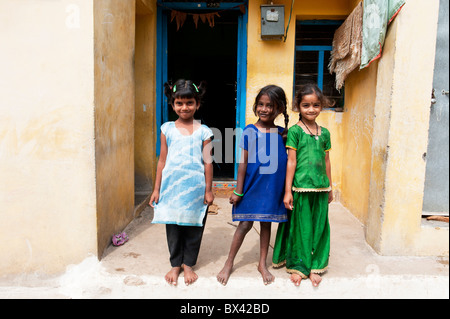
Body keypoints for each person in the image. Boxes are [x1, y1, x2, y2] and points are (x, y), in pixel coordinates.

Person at [217, 85, 289, 286]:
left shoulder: (283, 134)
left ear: (280, 109)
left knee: (266, 224)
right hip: (251, 187)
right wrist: (238, 190)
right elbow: (243, 164)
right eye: (261, 104)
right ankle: (229, 262)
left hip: (272, 189)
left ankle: (262, 264)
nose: (264, 109)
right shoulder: (250, 130)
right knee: (245, 224)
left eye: (270, 106)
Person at [149, 79, 214, 286]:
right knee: (173, 227)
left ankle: (188, 264)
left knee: (194, 226)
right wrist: (156, 189)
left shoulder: (204, 131)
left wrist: (209, 190)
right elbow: (162, 160)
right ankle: (175, 264)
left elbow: (208, 162)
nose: (184, 107)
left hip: (195, 189)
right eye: (179, 103)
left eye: (189, 103)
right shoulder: (166, 128)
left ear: (197, 104)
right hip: (171, 188)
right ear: (172, 104)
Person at [272, 83, 334, 288]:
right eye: (306, 105)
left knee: (319, 227)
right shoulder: (296, 132)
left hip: (321, 188)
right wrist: (287, 191)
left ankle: (315, 265)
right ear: (298, 106)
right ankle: (299, 267)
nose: (311, 109)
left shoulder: (324, 133)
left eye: (316, 105)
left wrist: (330, 187)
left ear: (321, 106)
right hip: (300, 188)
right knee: (301, 228)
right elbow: (291, 161)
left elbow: (326, 161)